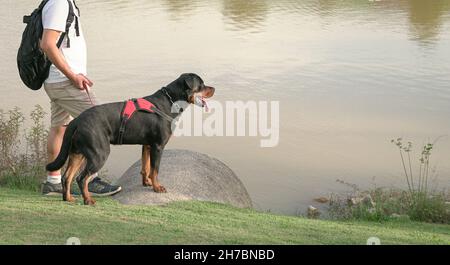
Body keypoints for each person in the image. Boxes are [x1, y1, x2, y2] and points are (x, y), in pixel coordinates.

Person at [40, 0, 121, 196]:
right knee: (99, 122)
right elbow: (48, 44)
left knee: (60, 128)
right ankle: (90, 179)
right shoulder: (59, 3)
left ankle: (53, 182)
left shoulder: (60, 2)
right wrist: (72, 76)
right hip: (65, 82)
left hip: (57, 81)